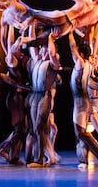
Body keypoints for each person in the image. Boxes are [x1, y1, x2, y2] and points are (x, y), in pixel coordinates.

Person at [68, 33, 98, 168]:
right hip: (83, 100)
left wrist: (69, 33)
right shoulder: (89, 66)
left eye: (78, 53)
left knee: (80, 132)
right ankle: (83, 160)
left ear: (81, 54)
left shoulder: (80, 63)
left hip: (80, 101)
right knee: (80, 133)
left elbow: (72, 46)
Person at [24, 29, 61, 168]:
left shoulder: (53, 63)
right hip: (35, 95)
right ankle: (38, 158)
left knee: (40, 126)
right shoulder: (38, 61)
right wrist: (31, 26)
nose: (42, 51)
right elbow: (32, 46)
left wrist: (51, 39)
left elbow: (52, 53)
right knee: (35, 128)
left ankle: (39, 160)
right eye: (42, 49)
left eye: (45, 49)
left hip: (45, 96)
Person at [0, 29, 31, 165]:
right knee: (20, 127)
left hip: (19, 96)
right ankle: (5, 148)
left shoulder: (19, 58)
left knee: (23, 127)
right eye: (17, 48)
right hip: (15, 97)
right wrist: (10, 25)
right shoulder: (11, 59)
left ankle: (14, 156)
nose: (20, 50)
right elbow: (7, 41)